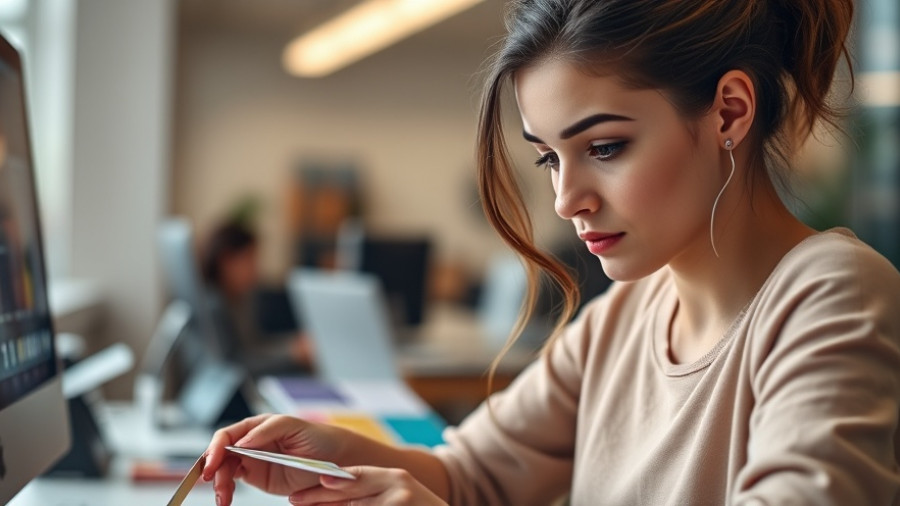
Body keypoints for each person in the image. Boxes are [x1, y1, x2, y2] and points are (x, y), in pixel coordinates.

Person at [202, 0, 900, 504]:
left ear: (729, 113)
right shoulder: (620, 319)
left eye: (604, 147)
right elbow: (469, 477)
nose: (568, 200)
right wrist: (338, 459)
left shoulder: (834, 295)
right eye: (548, 160)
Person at [201, 220, 313, 375]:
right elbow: (236, 366)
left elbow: (255, 345)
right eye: (250, 259)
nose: (256, 270)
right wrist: (292, 355)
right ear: (226, 261)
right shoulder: (214, 306)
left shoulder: (239, 300)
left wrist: (291, 346)